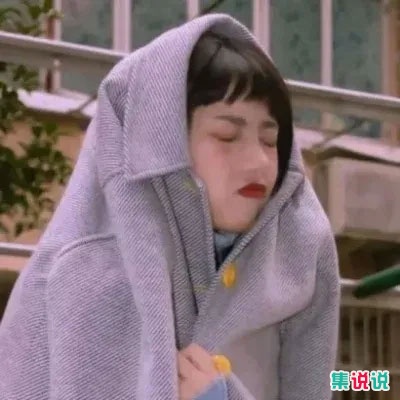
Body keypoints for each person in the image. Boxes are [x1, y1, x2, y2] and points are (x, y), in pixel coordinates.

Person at [0, 13, 340, 400]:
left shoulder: (300, 250)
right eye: (227, 135)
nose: (259, 162)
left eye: (269, 140)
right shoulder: (84, 275)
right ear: (162, 145)